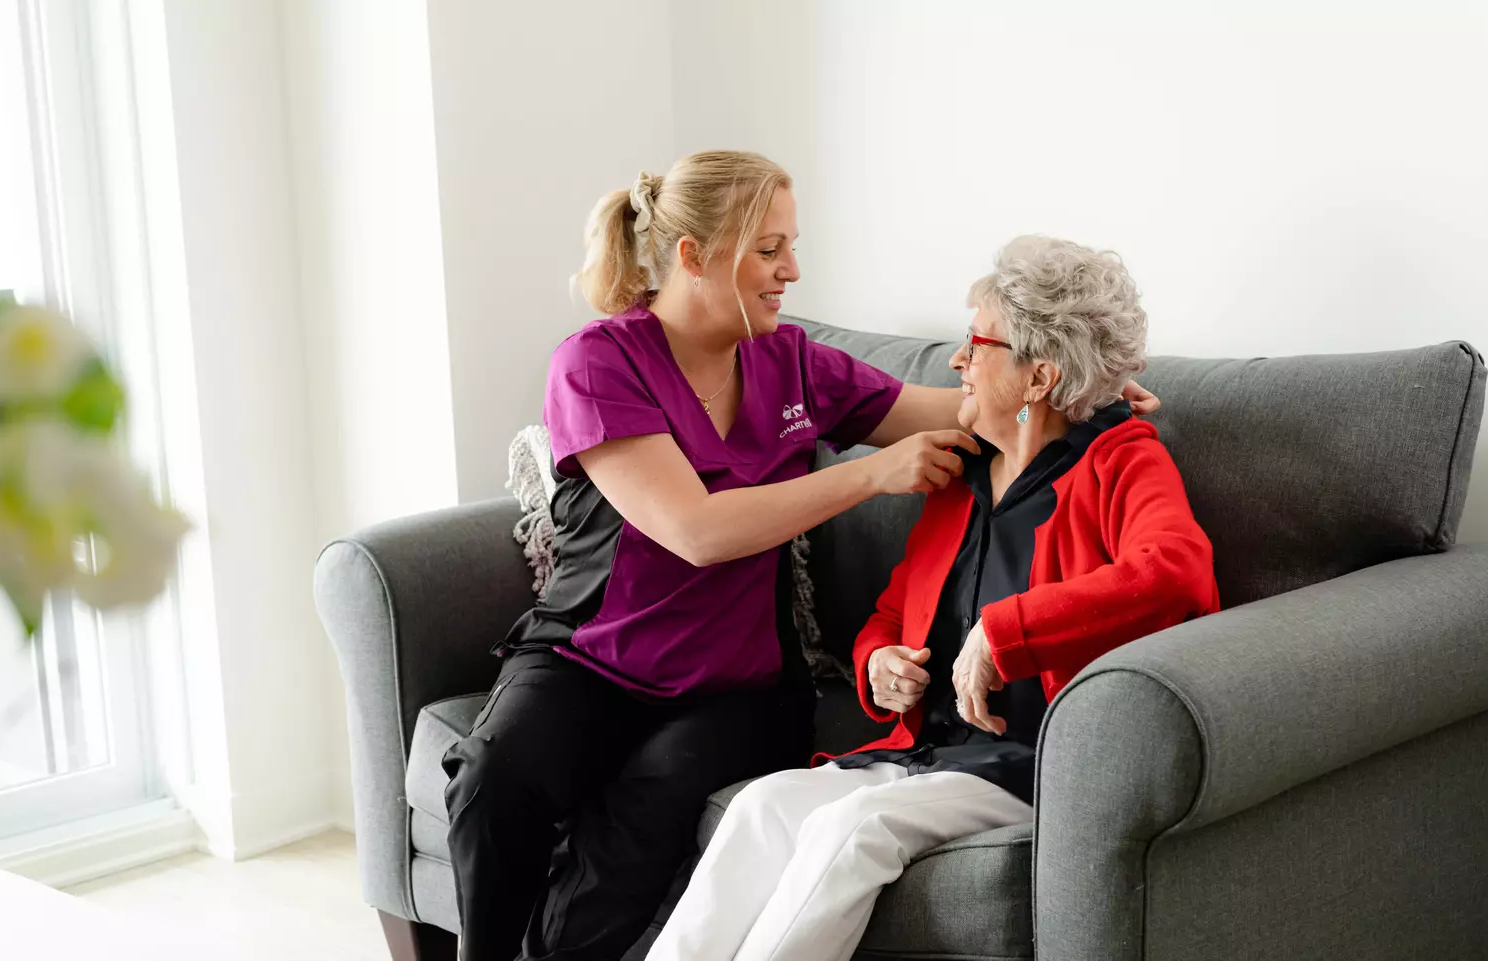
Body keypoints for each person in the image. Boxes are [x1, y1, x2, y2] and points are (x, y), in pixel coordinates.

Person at [440, 152, 1156, 961]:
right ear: (694, 255)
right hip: (592, 662)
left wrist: (1077, 392)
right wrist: (869, 473)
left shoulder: (794, 363)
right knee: (492, 781)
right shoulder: (598, 361)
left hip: (735, 689)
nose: (793, 270)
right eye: (770, 249)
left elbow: (976, 410)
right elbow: (696, 531)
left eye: (793, 244)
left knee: (639, 818)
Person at [646, 235, 1221, 961]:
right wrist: (879, 661)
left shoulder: (1122, 459)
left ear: (1038, 375)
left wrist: (1003, 632)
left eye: (975, 342)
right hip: (929, 751)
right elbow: (894, 609)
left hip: (1027, 760)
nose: (957, 361)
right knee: (762, 806)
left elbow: (1178, 572)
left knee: (853, 826)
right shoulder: (961, 473)